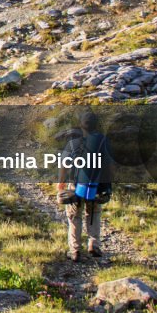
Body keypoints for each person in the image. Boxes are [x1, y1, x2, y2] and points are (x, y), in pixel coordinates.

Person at [56, 111, 112, 262]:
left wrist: (60, 183)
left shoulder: (73, 143)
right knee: (93, 213)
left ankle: (75, 251)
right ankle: (94, 245)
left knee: (74, 216)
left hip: (76, 186)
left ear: (81, 125)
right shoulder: (103, 142)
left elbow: (64, 165)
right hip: (97, 185)